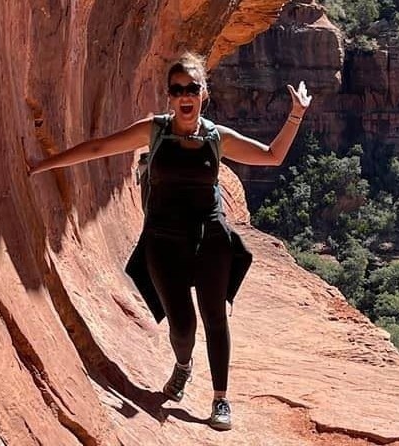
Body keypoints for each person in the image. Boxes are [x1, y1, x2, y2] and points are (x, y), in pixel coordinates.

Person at [28, 52, 312, 431]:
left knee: (214, 317)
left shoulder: (217, 138)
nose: (185, 96)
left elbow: (272, 156)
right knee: (183, 325)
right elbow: (98, 148)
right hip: (163, 241)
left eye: (191, 88)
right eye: (177, 90)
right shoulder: (155, 131)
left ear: (203, 92)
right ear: (169, 97)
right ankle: (183, 365)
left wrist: (296, 114)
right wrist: (42, 165)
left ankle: (220, 399)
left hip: (210, 237)